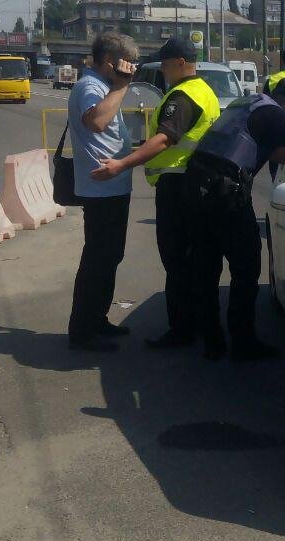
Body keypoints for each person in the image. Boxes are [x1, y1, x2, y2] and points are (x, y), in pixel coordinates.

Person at [91, 36, 220, 349]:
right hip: (197, 186)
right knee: (195, 262)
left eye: (165, 64)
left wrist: (122, 164)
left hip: (179, 189)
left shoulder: (183, 96)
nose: (162, 69)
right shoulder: (205, 91)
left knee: (176, 263)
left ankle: (182, 331)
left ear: (180, 63)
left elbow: (164, 140)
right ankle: (204, 328)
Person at [183, 79, 285, 361]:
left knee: (206, 268)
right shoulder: (275, 115)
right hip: (225, 195)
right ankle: (243, 342)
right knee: (246, 268)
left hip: (196, 187)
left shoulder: (248, 103)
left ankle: (212, 342)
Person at [67, 33, 139, 353]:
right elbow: (96, 121)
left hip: (112, 188)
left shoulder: (103, 85)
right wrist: (122, 86)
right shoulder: (90, 86)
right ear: (111, 62)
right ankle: (83, 332)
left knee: (109, 257)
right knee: (97, 261)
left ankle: (97, 319)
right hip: (101, 190)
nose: (131, 70)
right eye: (127, 64)